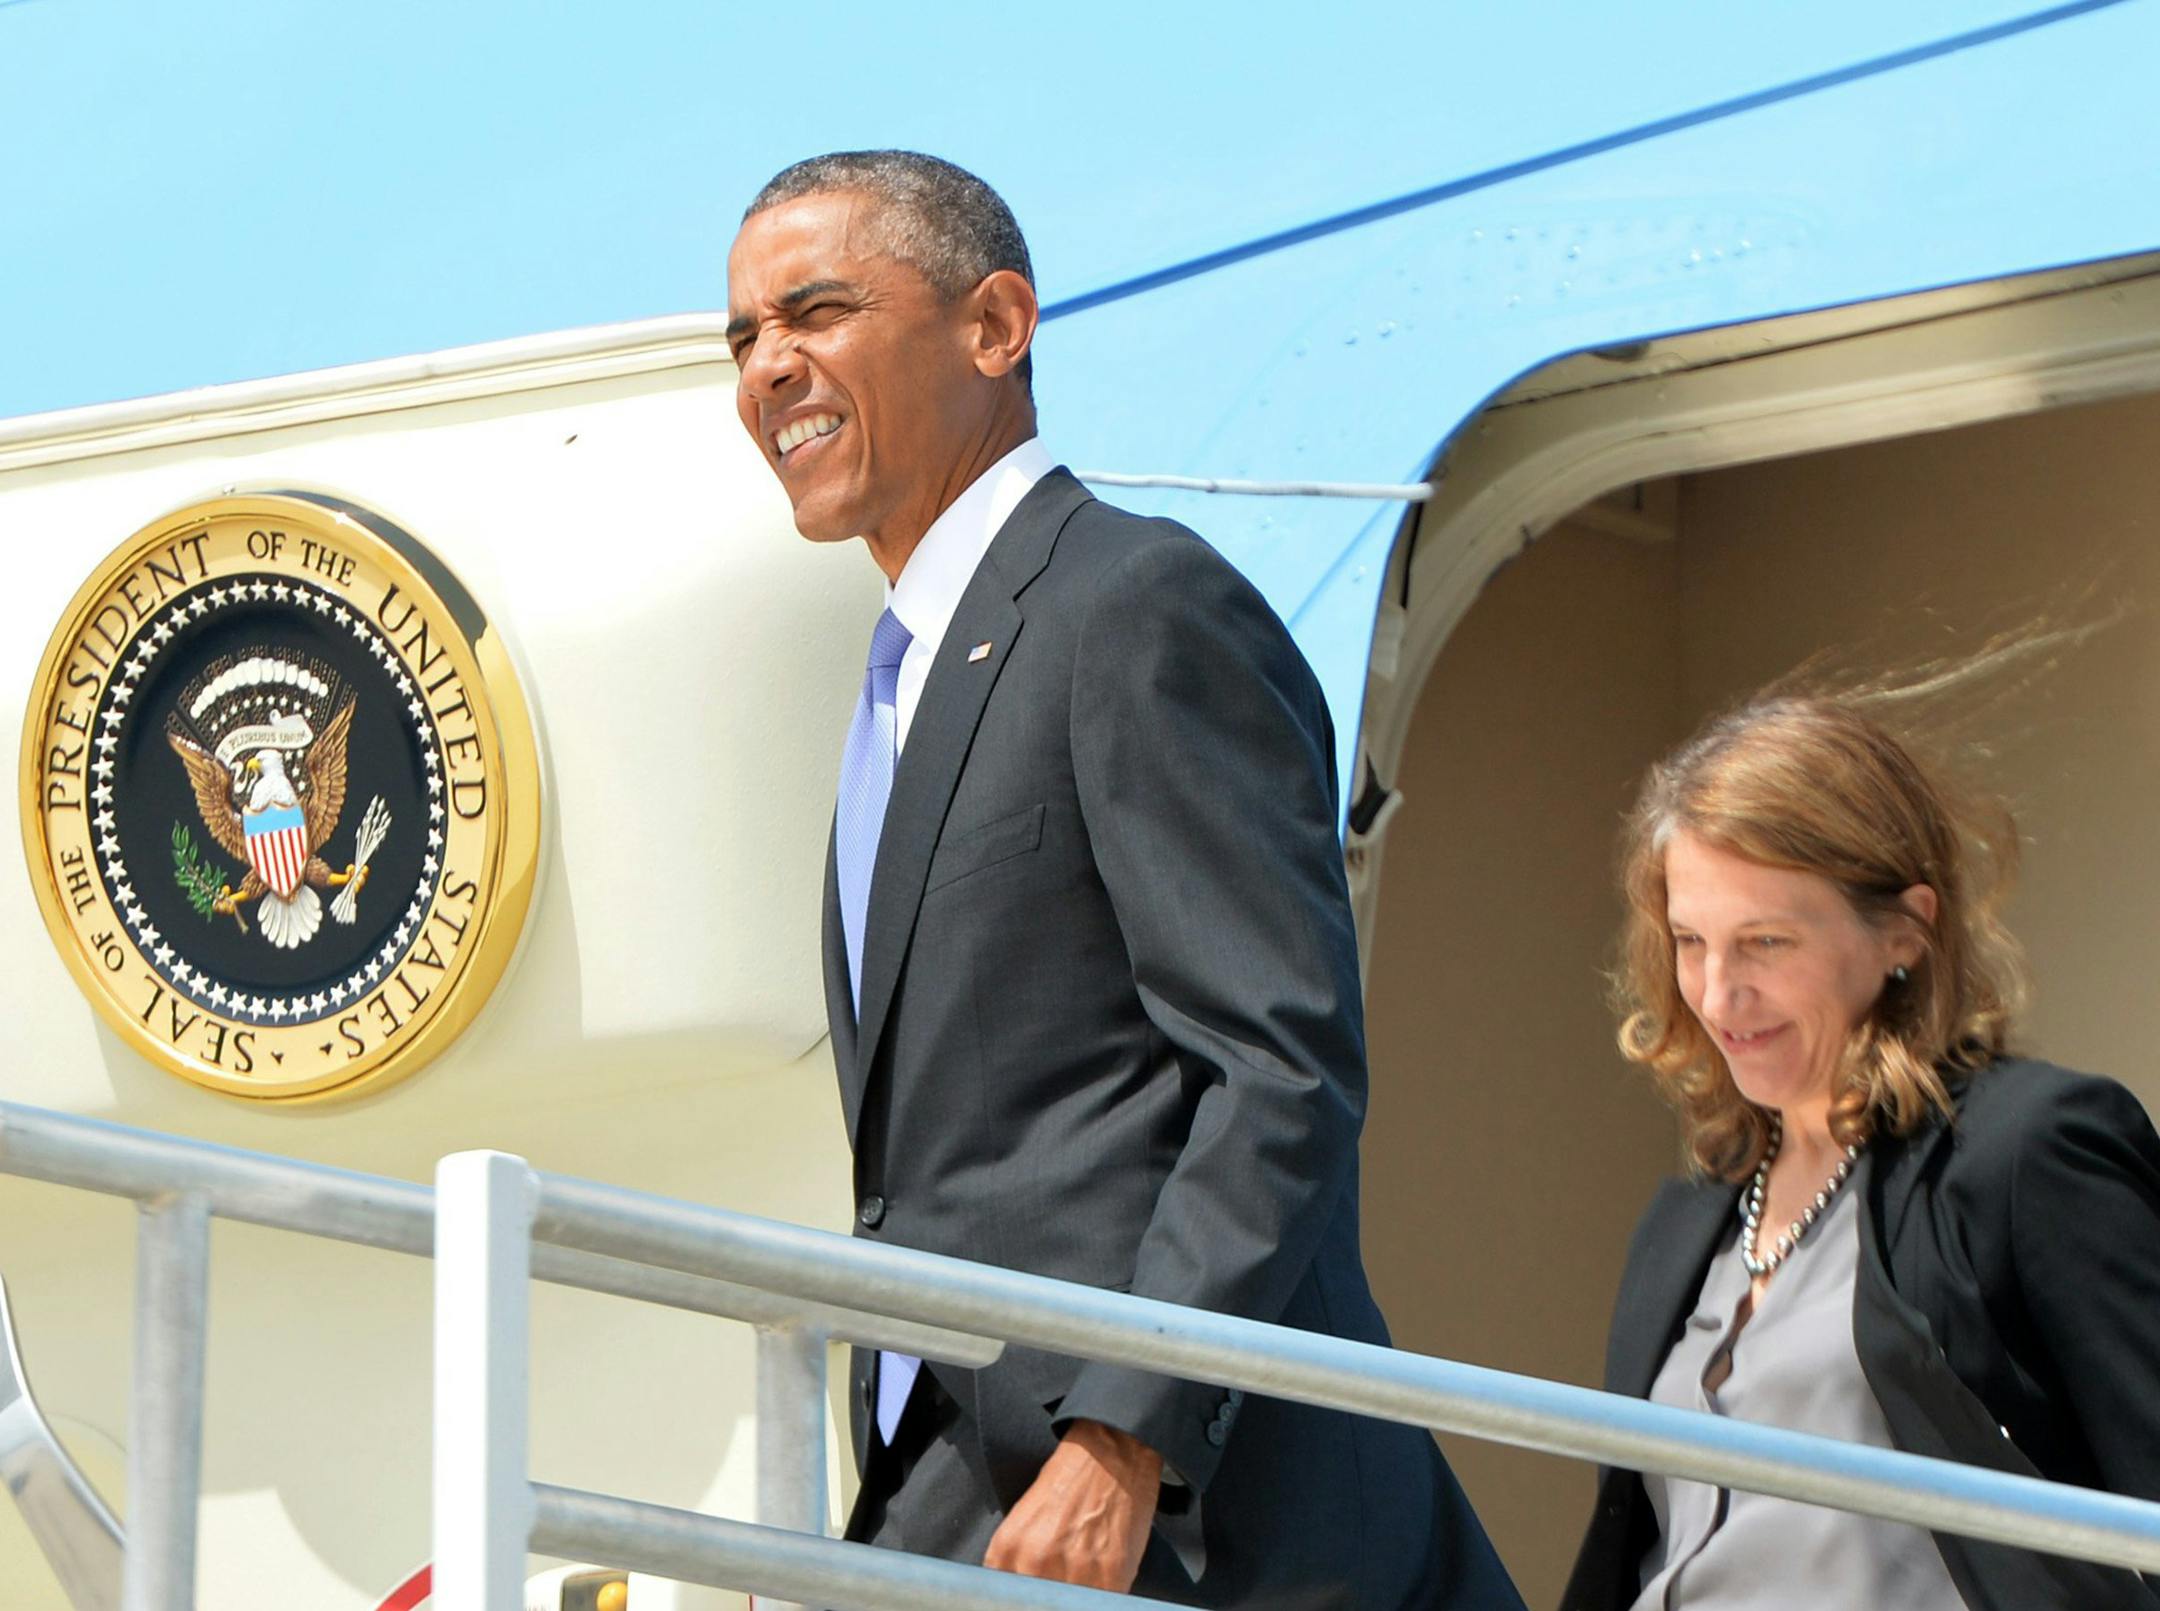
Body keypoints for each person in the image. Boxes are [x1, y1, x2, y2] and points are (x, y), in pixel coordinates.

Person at [726, 151, 1521, 1608]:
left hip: (1180, 1508)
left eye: (818, 310)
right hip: (959, 1471)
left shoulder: (1133, 605)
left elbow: (1278, 1065)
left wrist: (1124, 1426)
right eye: (743, 337)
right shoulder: (900, 682)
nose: (769, 366)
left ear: (995, 324)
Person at [1562, 692, 2160, 1611]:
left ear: (1904, 933)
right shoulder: (1684, 1218)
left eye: (1765, 941)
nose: (1718, 996)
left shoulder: (2027, 1154)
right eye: (1691, 942)